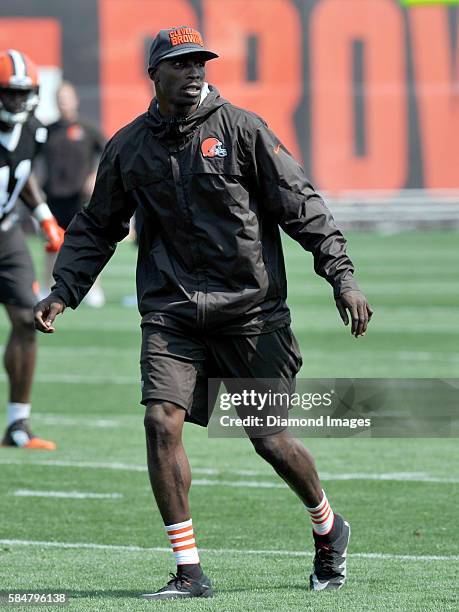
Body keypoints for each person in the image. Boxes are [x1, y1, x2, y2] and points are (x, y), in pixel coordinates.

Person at [34, 27, 373, 598]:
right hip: (172, 312)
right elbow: (97, 226)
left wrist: (342, 276)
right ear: (155, 74)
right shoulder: (129, 146)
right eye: (180, 64)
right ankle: (189, 570)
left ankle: (328, 526)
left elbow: (302, 205)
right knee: (159, 421)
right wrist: (64, 289)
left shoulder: (242, 130)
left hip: (251, 311)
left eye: (200, 63)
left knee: (268, 438)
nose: (194, 73)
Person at [0, 49, 64, 449]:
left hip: (6, 234)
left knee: (28, 318)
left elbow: (20, 177)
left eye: (25, 94)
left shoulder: (34, 131)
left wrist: (44, 217)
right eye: (10, 93)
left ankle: (17, 425)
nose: (18, 102)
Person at [40, 81, 106, 307]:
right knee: (52, 244)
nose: (64, 103)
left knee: (86, 245)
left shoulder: (87, 128)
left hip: (80, 198)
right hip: (53, 197)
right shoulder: (47, 130)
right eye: (60, 99)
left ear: (75, 100)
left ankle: (94, 290)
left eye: (67, 98)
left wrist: (94, 176)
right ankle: (45, 286)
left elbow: (108, 152)